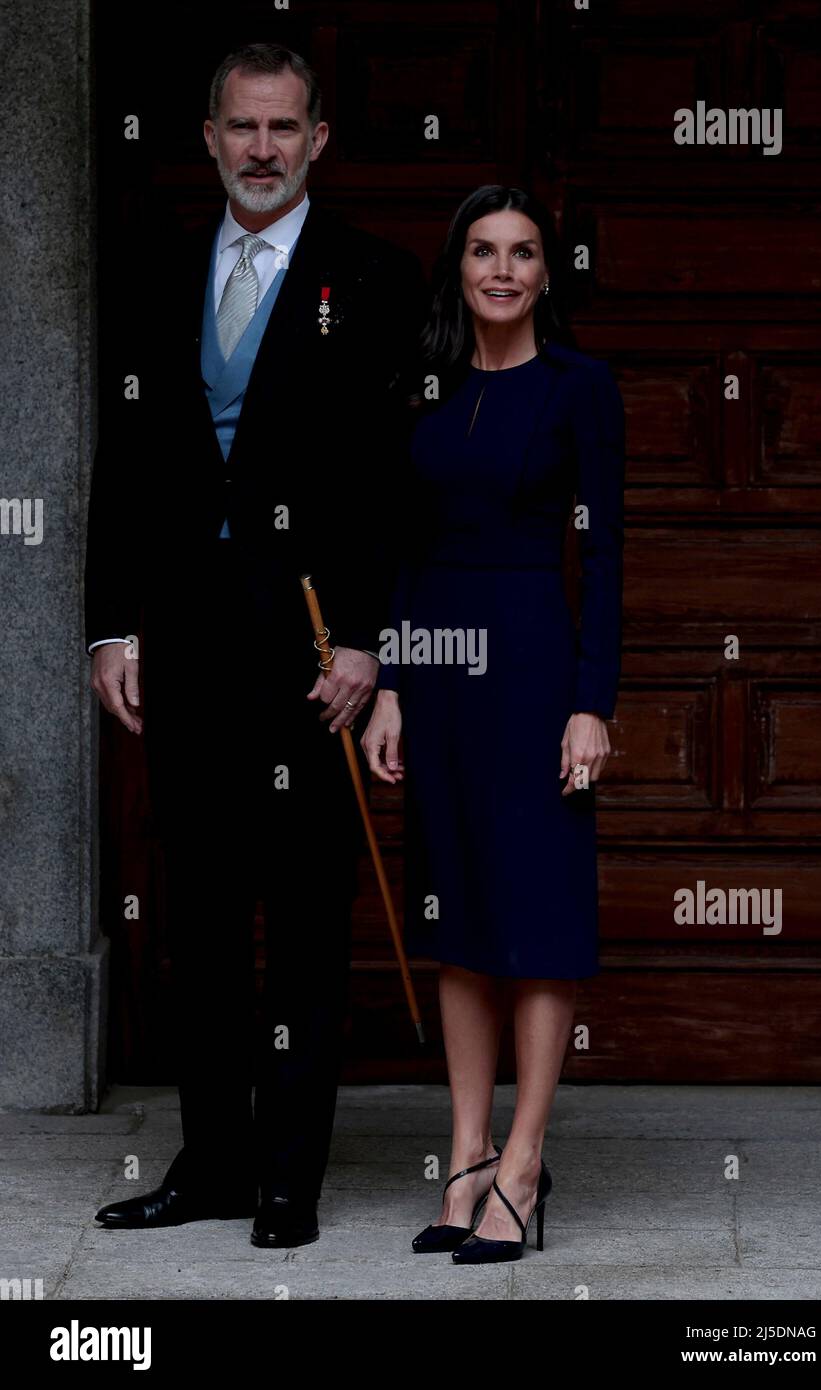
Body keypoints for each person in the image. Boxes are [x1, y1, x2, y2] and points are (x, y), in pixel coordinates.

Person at [86, 42, 425, 1248]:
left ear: (318, 138)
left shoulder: (374, 280)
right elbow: (123, 463)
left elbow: (397, 482)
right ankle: (213, 1161)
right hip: (185, 633)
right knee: (205, 919)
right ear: (211, 136)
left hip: (310, 646)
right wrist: (114, 623)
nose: (264, 149)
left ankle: (288, 1176)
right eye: (243, 128)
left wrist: (373, 640)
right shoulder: (157, 272)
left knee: (304, 917)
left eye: (284, 129)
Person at [362, 185, 625, 1263]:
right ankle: (463, 1156)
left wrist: (589, 702)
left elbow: (604, 555)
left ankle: (522, 1163)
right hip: (437, 668)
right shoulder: (419, 386)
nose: (502, 270)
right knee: (457, 912)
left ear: (544, 274)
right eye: (482, 251)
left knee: (539, 909)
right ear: (458, 267)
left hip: (531, 660)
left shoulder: (579, 387)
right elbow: (394, 545)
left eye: (522, 253)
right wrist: (386, 681)